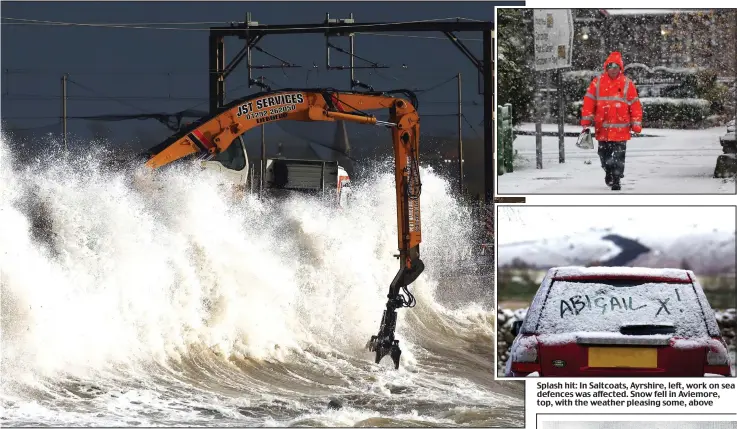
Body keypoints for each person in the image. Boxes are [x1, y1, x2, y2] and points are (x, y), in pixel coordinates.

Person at [580, 51, 643, 191]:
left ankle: (616, 179)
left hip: (621, 129)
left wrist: (636, 123)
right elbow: (589, 102)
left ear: (620, 68)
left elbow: (635, 104)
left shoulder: (627, 84)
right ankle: (608, 171)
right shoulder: (597, 83)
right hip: (603, 129)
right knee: (604, 155)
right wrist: (586, 120)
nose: (613, 69)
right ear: (606, 68)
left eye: (616, 66)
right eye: (610, 66)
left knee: (619, 156)